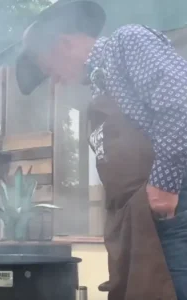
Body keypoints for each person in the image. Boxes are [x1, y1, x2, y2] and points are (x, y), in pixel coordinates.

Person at [15, 1, 187, 299]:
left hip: (174, 210)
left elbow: (180, 102)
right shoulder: (99, 86)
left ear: (65, 44)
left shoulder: (128, 42)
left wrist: (164, 183)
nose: (55, 80)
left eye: (49, 68)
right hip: (140, 223)